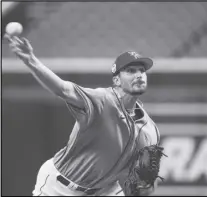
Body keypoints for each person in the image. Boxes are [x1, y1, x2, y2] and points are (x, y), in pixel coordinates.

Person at [5, 34, 162, 196]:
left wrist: (147, 183)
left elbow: (146, 182)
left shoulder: (150, 130)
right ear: (116, 80)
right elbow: (63, 89)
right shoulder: (102, 100)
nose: (139, 75)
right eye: (131, 71)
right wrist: (31, 60)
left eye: (142, 71)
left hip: (105, 191)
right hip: (60, 187)